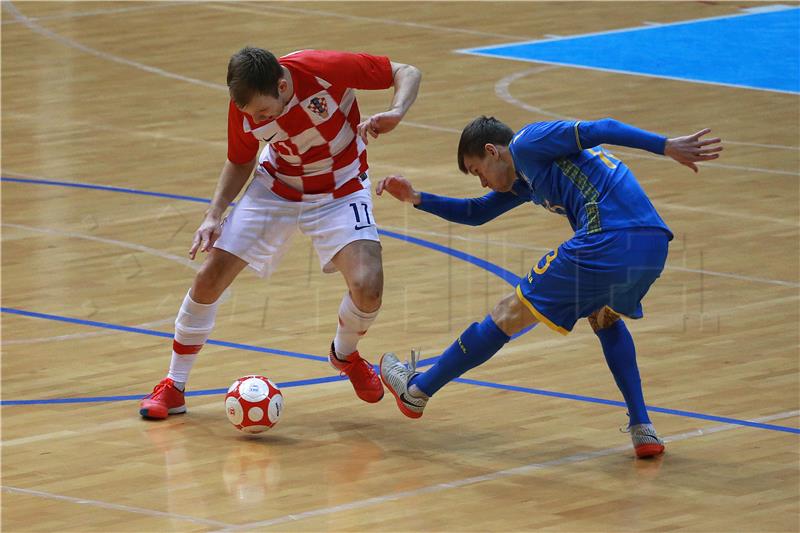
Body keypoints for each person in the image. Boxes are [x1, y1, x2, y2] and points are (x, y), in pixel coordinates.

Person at [376, 116, 722, 458]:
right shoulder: (525, 178)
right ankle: (642, 427)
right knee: (604, 317)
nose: (482, 183)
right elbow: (477, 213)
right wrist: (417, 198)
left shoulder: (528, 143)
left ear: (492, 151)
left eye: (477, 171)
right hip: (651, 246)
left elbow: (603, 128)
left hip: (605, 239)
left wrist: (665, 146)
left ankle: (417, 390)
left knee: (507, 313)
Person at [139, 47, 422, 419]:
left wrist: (397, 111)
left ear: (283, 84)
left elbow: (407, 70)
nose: (256, 120)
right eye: (250, 115)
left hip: (341, 186)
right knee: (210, 277)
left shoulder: (324, 69)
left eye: (261, 113)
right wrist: (214, 215)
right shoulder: (245, 106)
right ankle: (173, 386)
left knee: (369, 287)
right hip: (277, 186)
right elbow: (240, 160)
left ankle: (345, 355)